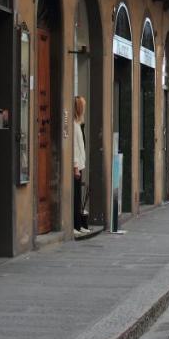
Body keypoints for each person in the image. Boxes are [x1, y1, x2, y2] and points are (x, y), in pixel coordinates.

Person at [72, 96, 90, 236]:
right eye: (82, 106)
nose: (84, 109)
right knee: (76, 197)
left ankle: (79, 225)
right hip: (76, 166)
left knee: (78, 196)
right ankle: (75, 226)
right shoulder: (73, 124)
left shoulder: (78, 123)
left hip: (80, 165)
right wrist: (75, 166)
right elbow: (74, 147)